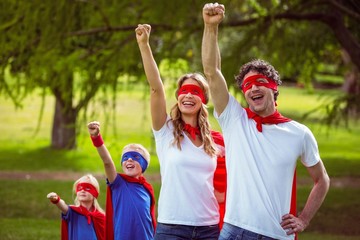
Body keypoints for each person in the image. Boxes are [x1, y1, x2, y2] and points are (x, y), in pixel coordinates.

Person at [201, 3, 330, 240]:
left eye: (259, 82)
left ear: (273, 88)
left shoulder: (299, 133)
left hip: (276, 235)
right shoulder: (235, 120)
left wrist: (304, 219)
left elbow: (321, 180)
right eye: (247, 86)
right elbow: (211, 71)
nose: (253, 88)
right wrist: (211, 27)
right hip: (233, 231)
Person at [135, 23, 227, 239]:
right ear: (178, 96)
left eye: (194, 91)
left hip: (209, 227)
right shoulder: (165, 129)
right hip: (172, 227)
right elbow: (156, 87)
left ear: (203, 99)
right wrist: (144, 45)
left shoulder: (213, 141)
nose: (188, 96)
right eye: (184, 91)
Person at [87, 121, 156, 240]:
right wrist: (96, 138)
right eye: (125, 157)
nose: (129, 159)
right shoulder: (118, 183)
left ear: (144, 165)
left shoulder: (147, 188)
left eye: (135, 157)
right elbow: (107, 162)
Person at [47, 174, 105, 240]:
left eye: (88, 188)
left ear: (95, 193)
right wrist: (57, 200)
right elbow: (63, 206)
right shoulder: (73, 212)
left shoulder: (100, 217)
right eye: (80, 188)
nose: (82, 190)